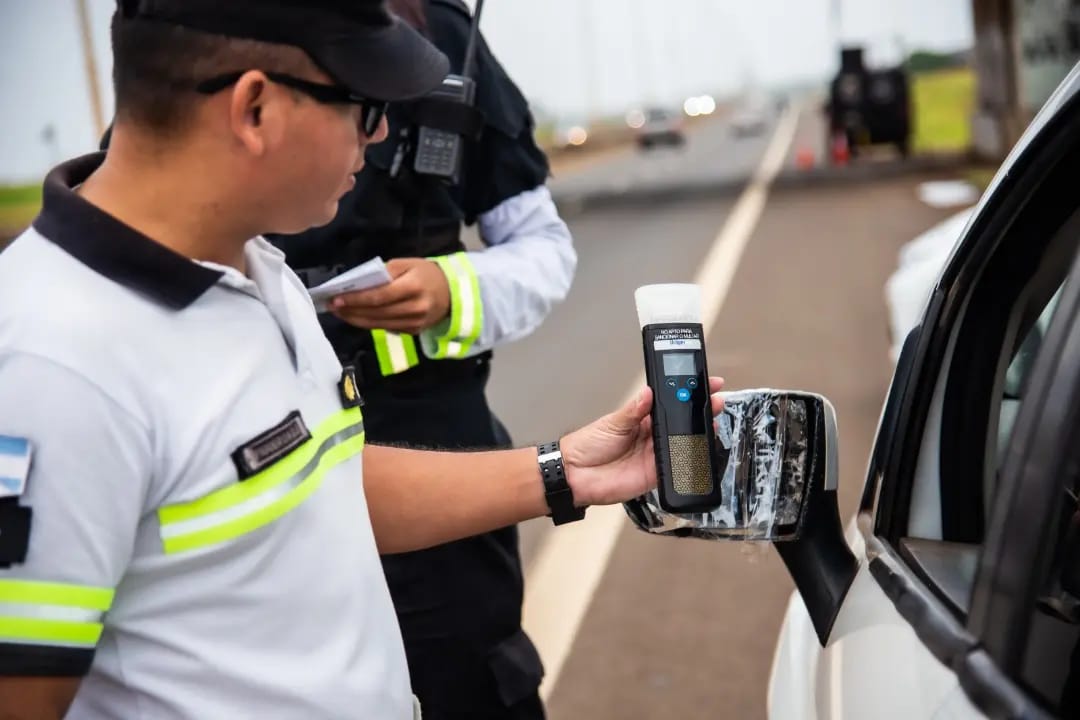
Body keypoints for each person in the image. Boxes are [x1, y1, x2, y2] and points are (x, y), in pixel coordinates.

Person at [0, 1, 724, 719]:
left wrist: (570, 470)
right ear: (255, 109)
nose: (377, 136)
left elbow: (327, 483)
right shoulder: (50, 368)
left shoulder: (261, 274)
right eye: (364, 105)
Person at [266, 0, 574, 716]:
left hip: (431, 434)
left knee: (468, 683)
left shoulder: (444, 38)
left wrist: (451, 288)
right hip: (268, 452)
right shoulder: (213, 35)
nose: (367, 135)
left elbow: (542, 248)